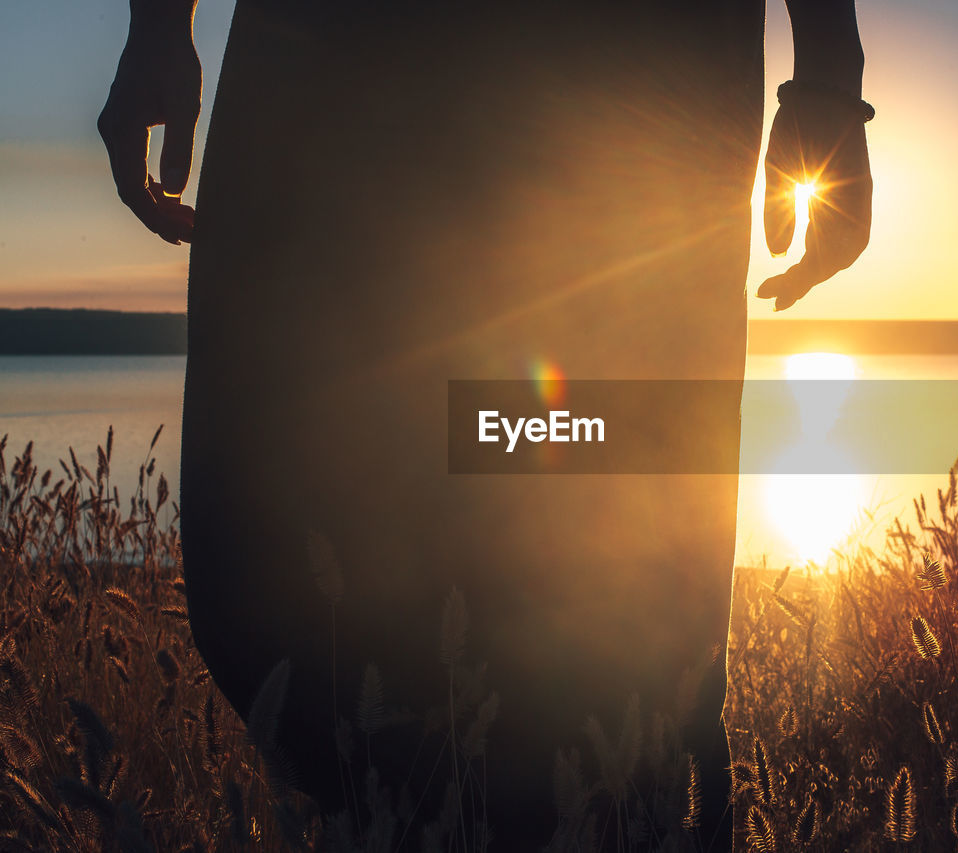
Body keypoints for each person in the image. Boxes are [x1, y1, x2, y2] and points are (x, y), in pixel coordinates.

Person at [99, 0, 871, 848]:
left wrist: (832, 66)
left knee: (619, 601)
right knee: (267, 552)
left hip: (637, 60)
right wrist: (160, 23)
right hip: (333, 47)